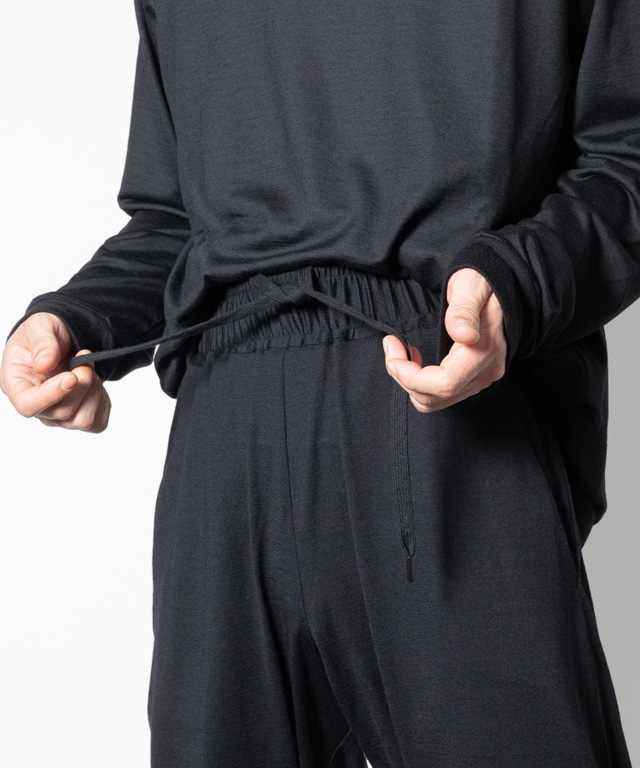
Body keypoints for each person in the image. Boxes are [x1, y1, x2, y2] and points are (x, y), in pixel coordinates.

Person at [1, 0, 639, 765]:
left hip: (448, 398)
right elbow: (177, 215)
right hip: (226, 429)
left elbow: (626, 156)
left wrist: (515, 285)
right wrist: (79, 319)